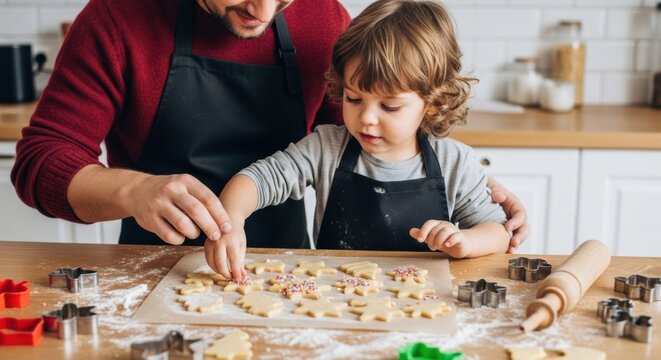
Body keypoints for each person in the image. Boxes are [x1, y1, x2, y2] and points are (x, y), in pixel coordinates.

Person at [11, 0, 527, 253]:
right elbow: (41, 161)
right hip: (155, 269)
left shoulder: (323, 19)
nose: (260, 9)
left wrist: (470, 192)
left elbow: (358, 145)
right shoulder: (117, 19)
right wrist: (132, 188)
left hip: (291, 270)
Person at [205, 0, 511, 279]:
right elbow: (259, 178)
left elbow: (498, 232)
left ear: (431, 102)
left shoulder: (454, 162)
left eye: (389, 106)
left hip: (423, 300)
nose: (366, 117)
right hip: (333, 298)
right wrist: (232, 218)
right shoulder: (327, 147)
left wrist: (465, 241)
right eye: (354, 98)